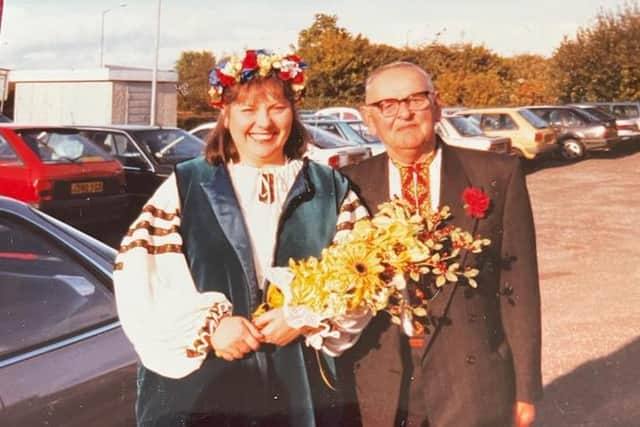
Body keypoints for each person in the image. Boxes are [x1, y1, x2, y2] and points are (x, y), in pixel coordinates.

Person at [113, 49, 370, 427]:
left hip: (302, 385)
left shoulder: (329, 188)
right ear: (225, 114)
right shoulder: (187, 184)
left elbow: (363, 275)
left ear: (293, 111)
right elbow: (139, 276)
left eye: (276, 107)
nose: (263, 122)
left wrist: (303, 316)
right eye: (248, 110)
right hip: (207, 384)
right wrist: (211, 328)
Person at [340, 61, 542, 427]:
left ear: (437, 105)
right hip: (383, 378)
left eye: (415, 99)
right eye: (388, 105)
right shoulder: (346, 186)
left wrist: (526, 388)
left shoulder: (496, 174)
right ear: (368, 118)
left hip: (473, 378)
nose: (403, 113)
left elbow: (519, 288)